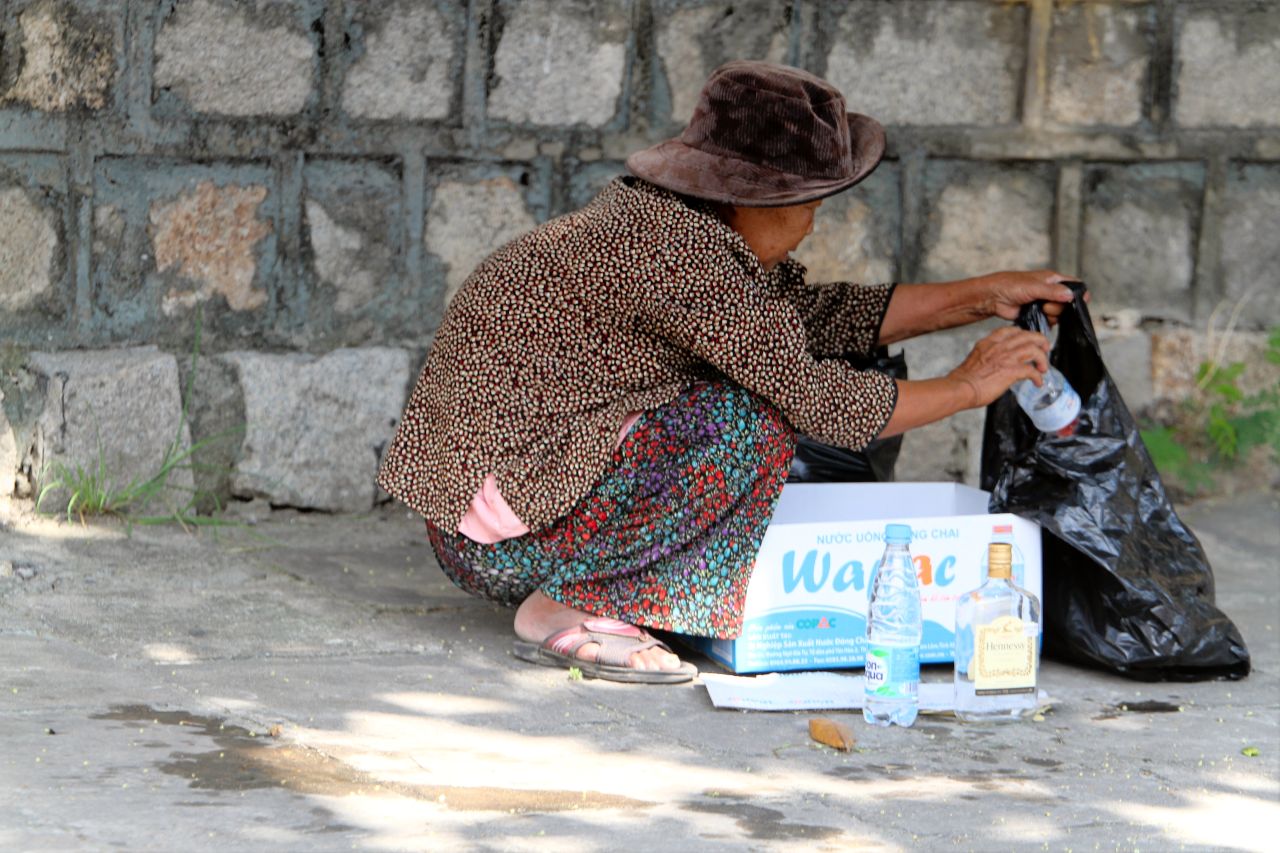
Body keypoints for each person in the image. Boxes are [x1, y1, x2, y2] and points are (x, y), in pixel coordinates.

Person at [378, 60, 1074, 684]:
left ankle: (600, 584)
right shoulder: (682, 259)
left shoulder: (664, 224)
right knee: (748, 421)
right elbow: (818, 400)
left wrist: (982, 296)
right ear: (751, 197)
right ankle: (569, 602)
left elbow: (809, 316)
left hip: (488, 522)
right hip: (506, 544)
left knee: (760, 385)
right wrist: (970, 385)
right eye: (809, 204)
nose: (811, 226)